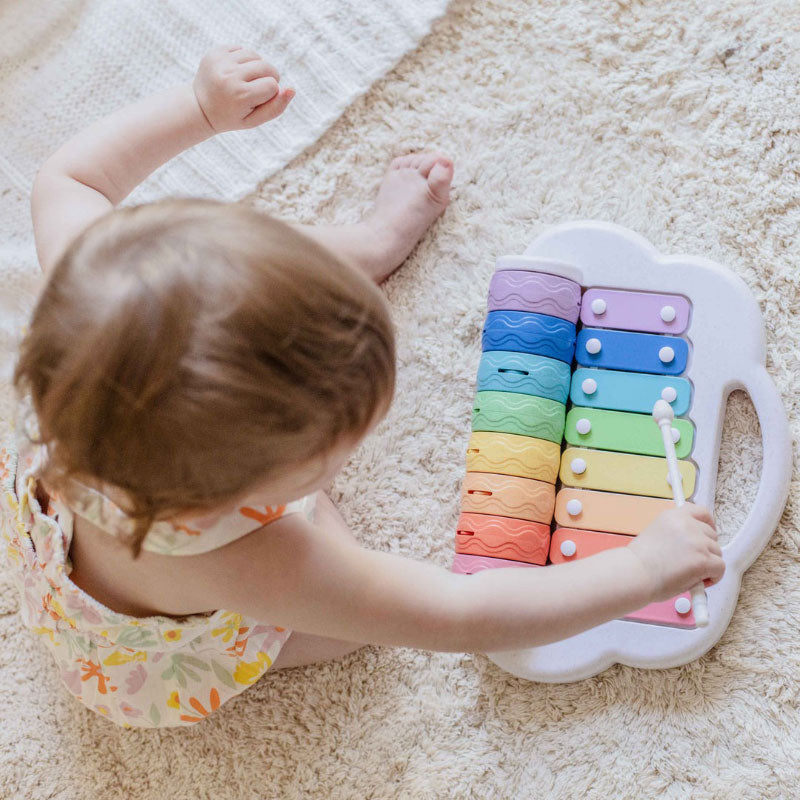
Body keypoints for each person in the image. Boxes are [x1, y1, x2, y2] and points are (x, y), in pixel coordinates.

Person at [0, 46, 724, 728]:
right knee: (344, 632)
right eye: (337, 443)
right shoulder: (253, 561)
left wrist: (200, 106)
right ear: (246, 492)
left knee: (253, 290)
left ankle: (375, 240)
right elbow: (459, 614)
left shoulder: (88, 292)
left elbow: (71, 180)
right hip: (137, 653)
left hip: (80, 499)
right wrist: (637, 568)